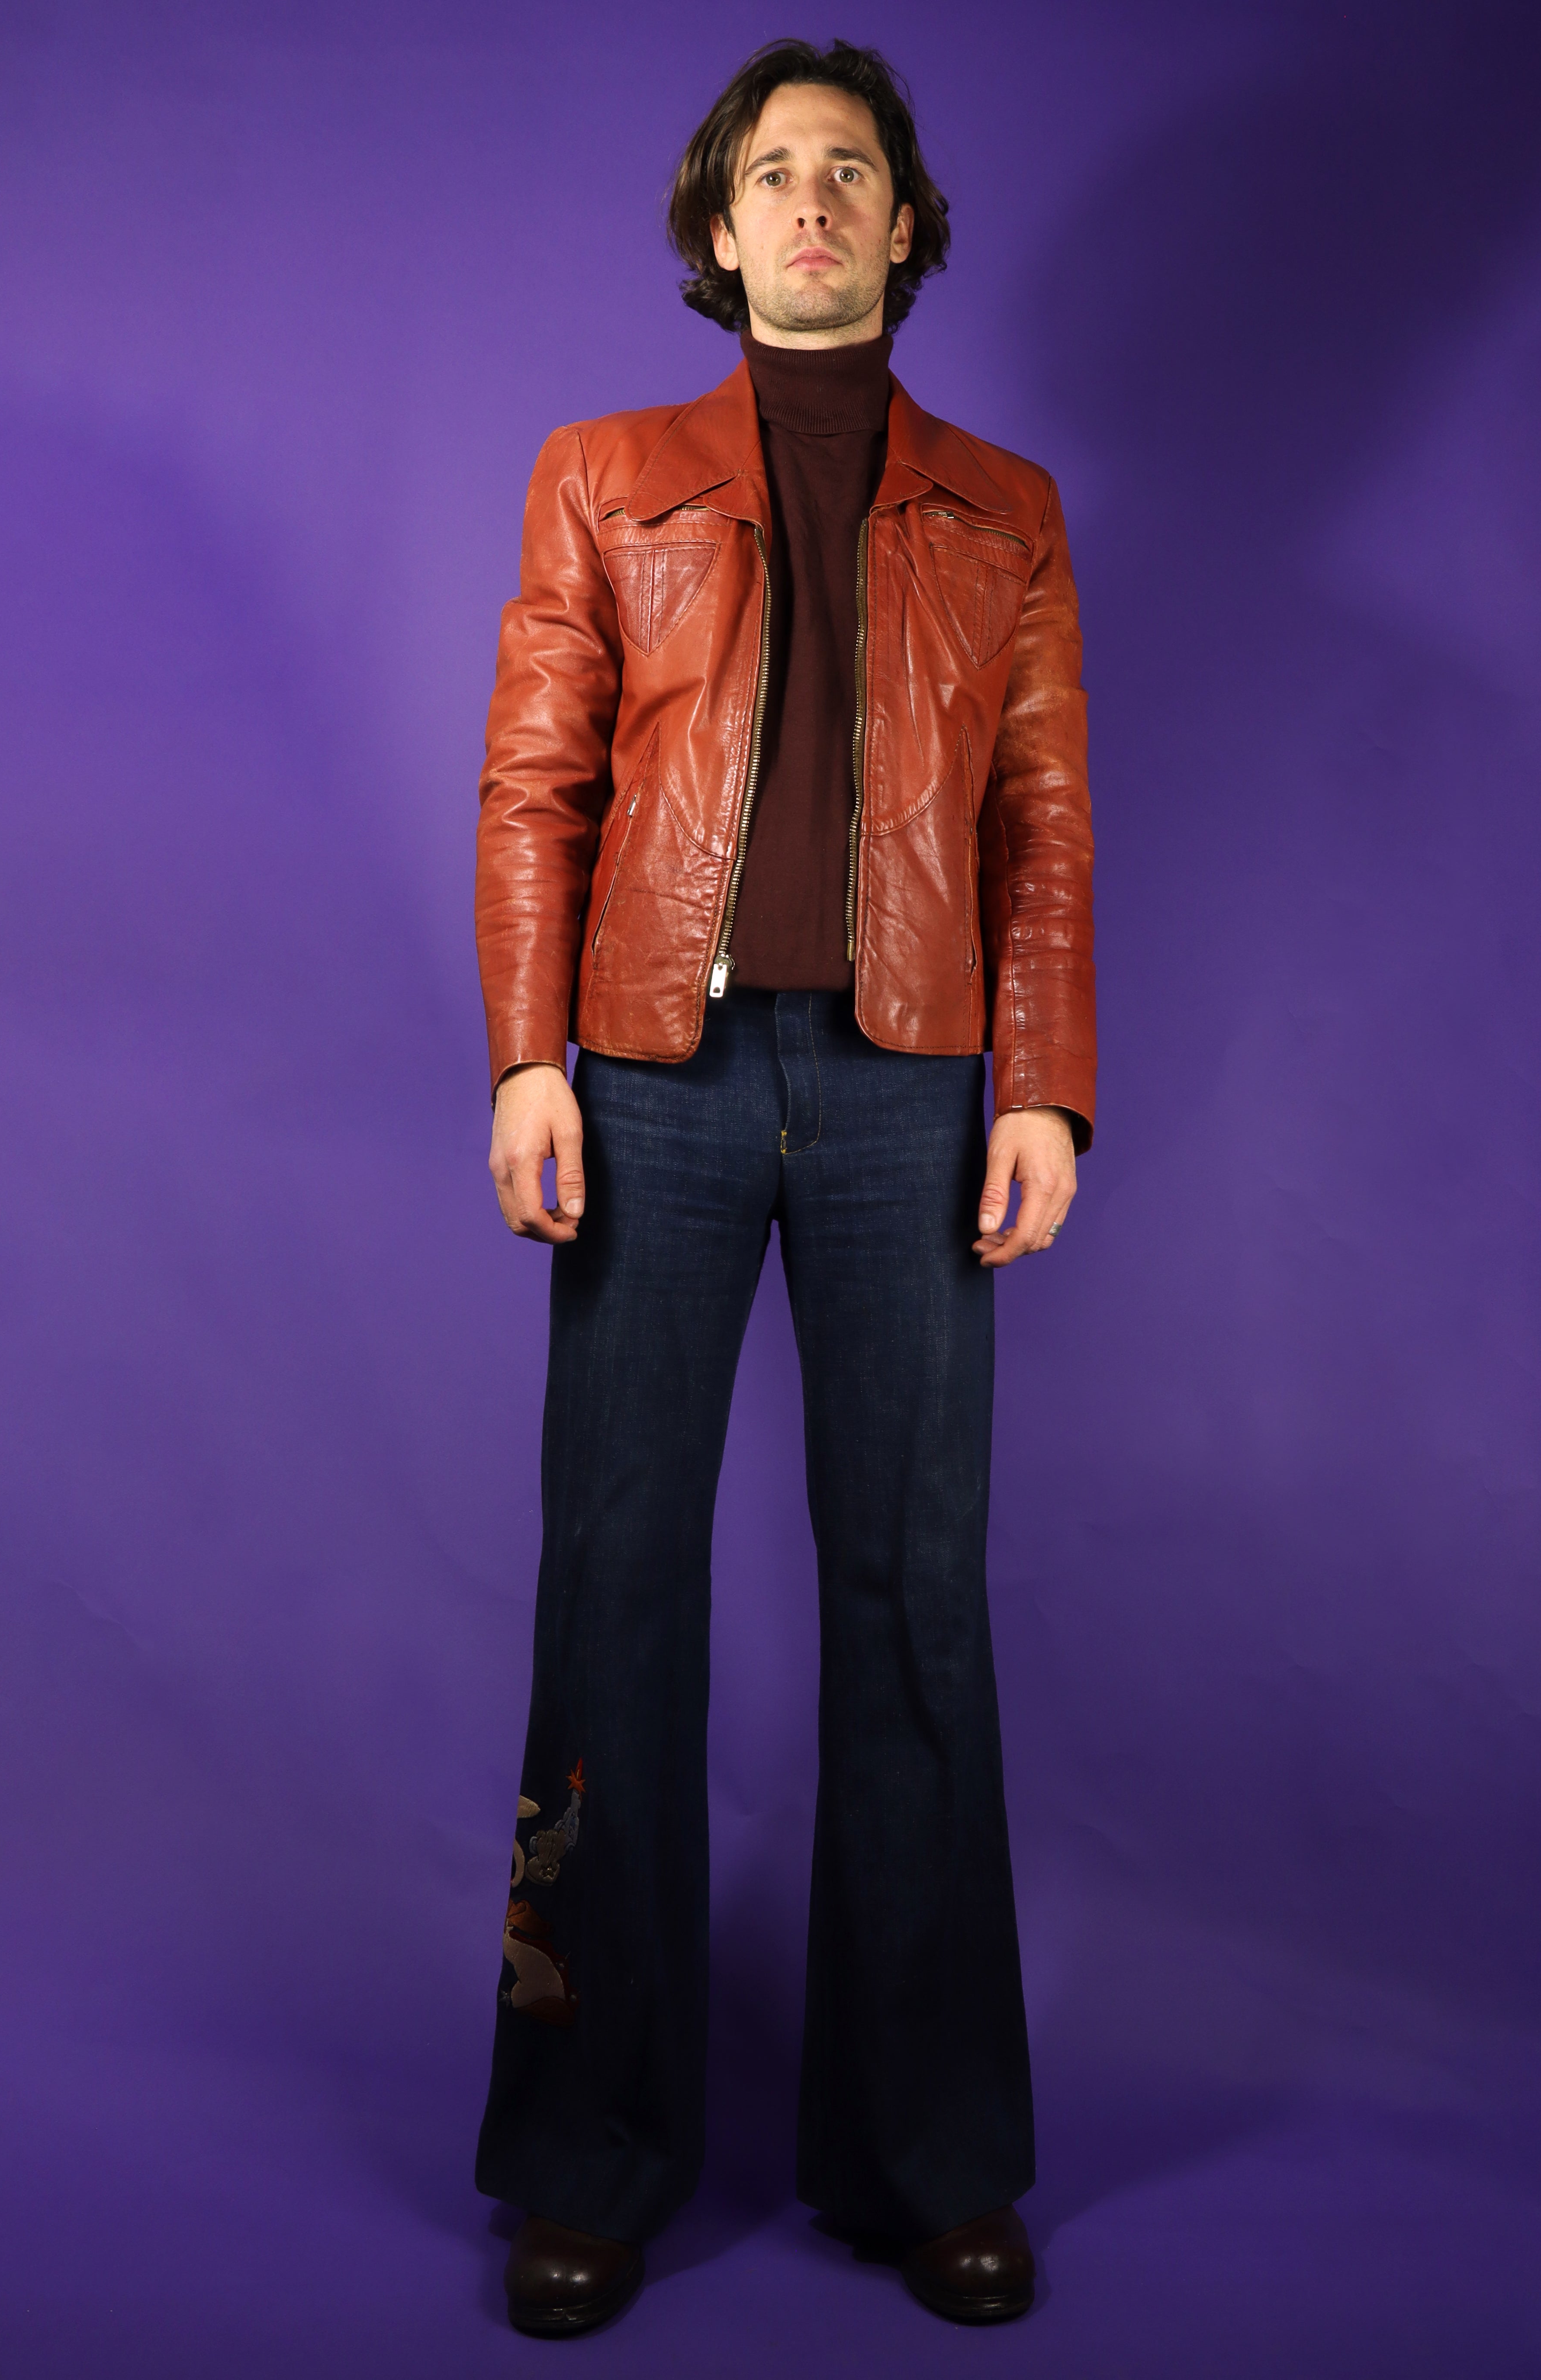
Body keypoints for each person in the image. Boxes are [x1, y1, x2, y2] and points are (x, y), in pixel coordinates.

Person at [473, 35, 1094, 2337]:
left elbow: (1044, 823)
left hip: (919, 1088)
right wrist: (525, 1056)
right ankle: (586, 2154)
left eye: (851, 170)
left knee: (917, 1607)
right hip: (649, 1081)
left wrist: (1044, 1091)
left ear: (904, 228)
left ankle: (930, 2157)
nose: (812, 200)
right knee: (613, 1595)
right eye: (772, 172)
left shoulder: (1006, 508)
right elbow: (534, 783)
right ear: (718, 230)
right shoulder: (604, 475)